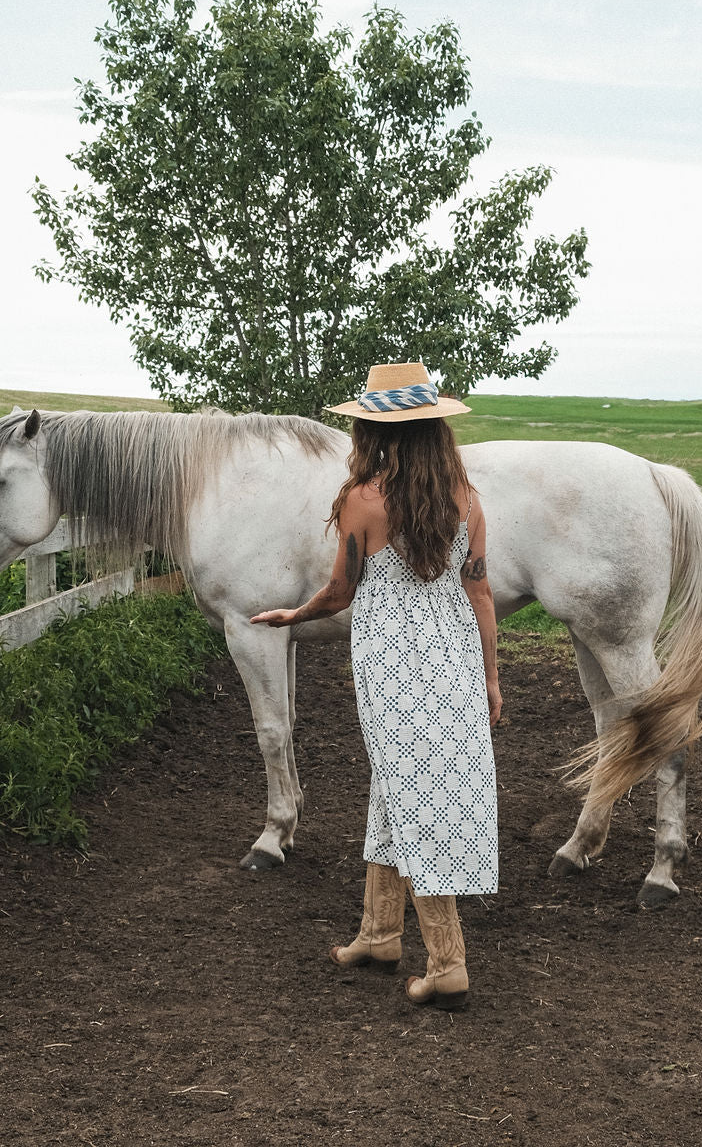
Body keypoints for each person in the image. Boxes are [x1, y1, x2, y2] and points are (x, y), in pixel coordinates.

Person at [251, 361, 502, 1011]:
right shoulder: (468, 501)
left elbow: (341, 591)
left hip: (392, 666)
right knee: (397, 787)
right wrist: (491, 678)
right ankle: (380, 934)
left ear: (375, 430)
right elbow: (478, 591)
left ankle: (448, 963)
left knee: (414, 798)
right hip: (452, 663)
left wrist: (294, 614)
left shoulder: (363, 500)